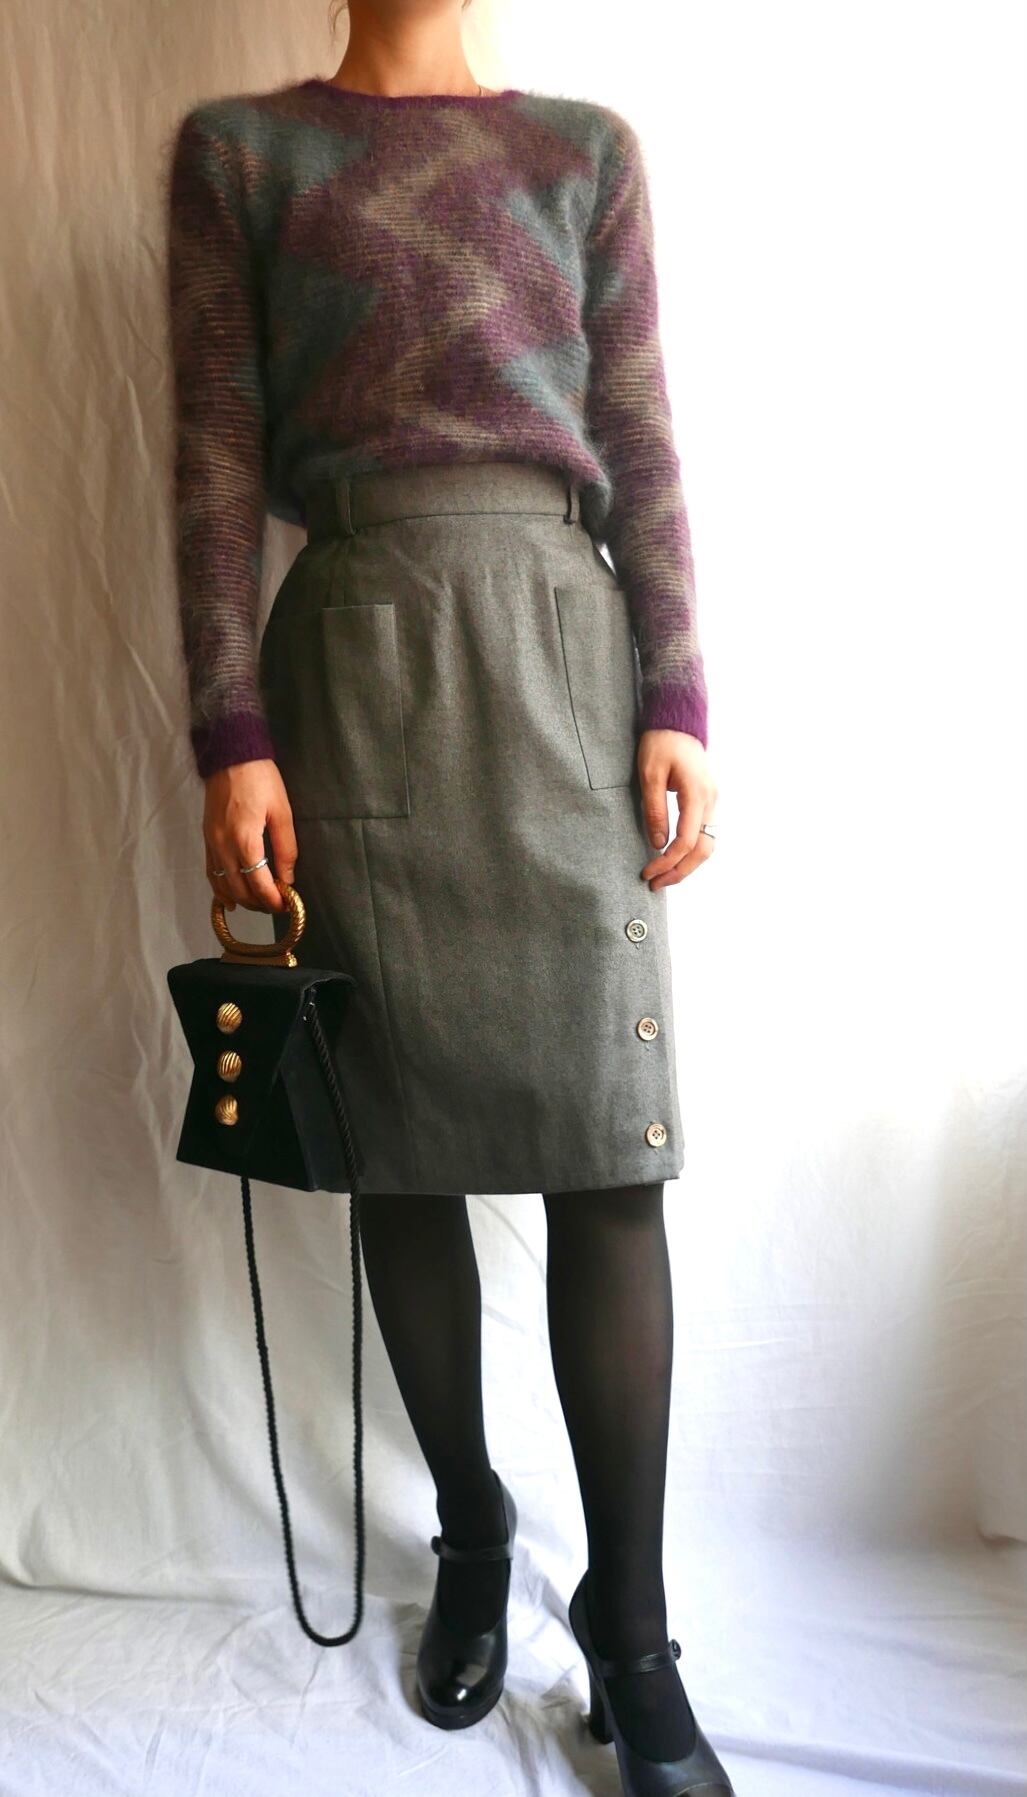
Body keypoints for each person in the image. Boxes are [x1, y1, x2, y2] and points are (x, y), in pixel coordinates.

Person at [164, 1, 730, 1791]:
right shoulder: (243, 153)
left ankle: (631, 1628)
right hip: (352, 662)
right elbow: (212, 454)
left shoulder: (584, 151)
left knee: (607, 1151)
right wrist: (231, 733)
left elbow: (641, 433)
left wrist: (678, 691)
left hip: (563, 650)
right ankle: (473, 1530)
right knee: (396, 1141)